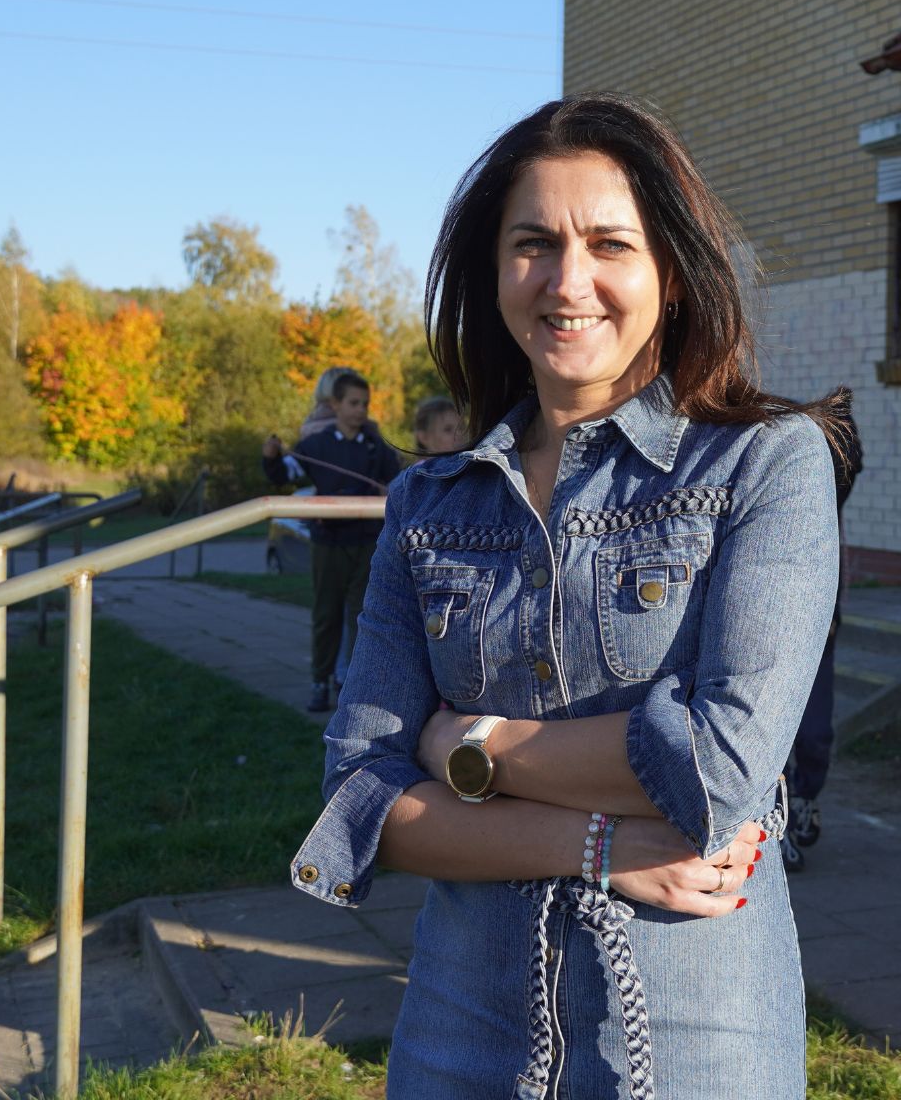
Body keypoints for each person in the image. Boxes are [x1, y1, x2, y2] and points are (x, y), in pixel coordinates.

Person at [288, 94, 843, 1099]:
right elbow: (359, 797)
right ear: (491, 272)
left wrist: (465, 746)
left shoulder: (766, 465)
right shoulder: (427, 503)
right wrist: (604, 844)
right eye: (533, 243)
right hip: (461, 1028)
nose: (567, 280)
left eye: (610, 244)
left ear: (670, 273)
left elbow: (718, 773)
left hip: (692, 1037)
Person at [261, 371, 402, 711]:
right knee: (326, 614)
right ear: (335, 405)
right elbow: (285, 474)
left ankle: (351, 683)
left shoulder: (375, 445)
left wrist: (391, 488)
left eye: (364, 404)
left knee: (360, 615)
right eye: (353, 403)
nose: (360, 410)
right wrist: (271, 457)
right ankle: (319, 681)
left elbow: (398, 480)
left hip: (367, 540)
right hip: (328, 542)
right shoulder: (317, 445)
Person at [781, 393, 862, 874]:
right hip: (762, 631)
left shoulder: (827, 490)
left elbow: (847, 464)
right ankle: (780, 830)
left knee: (815, 735)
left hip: (819, 629)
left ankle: (806, 796)